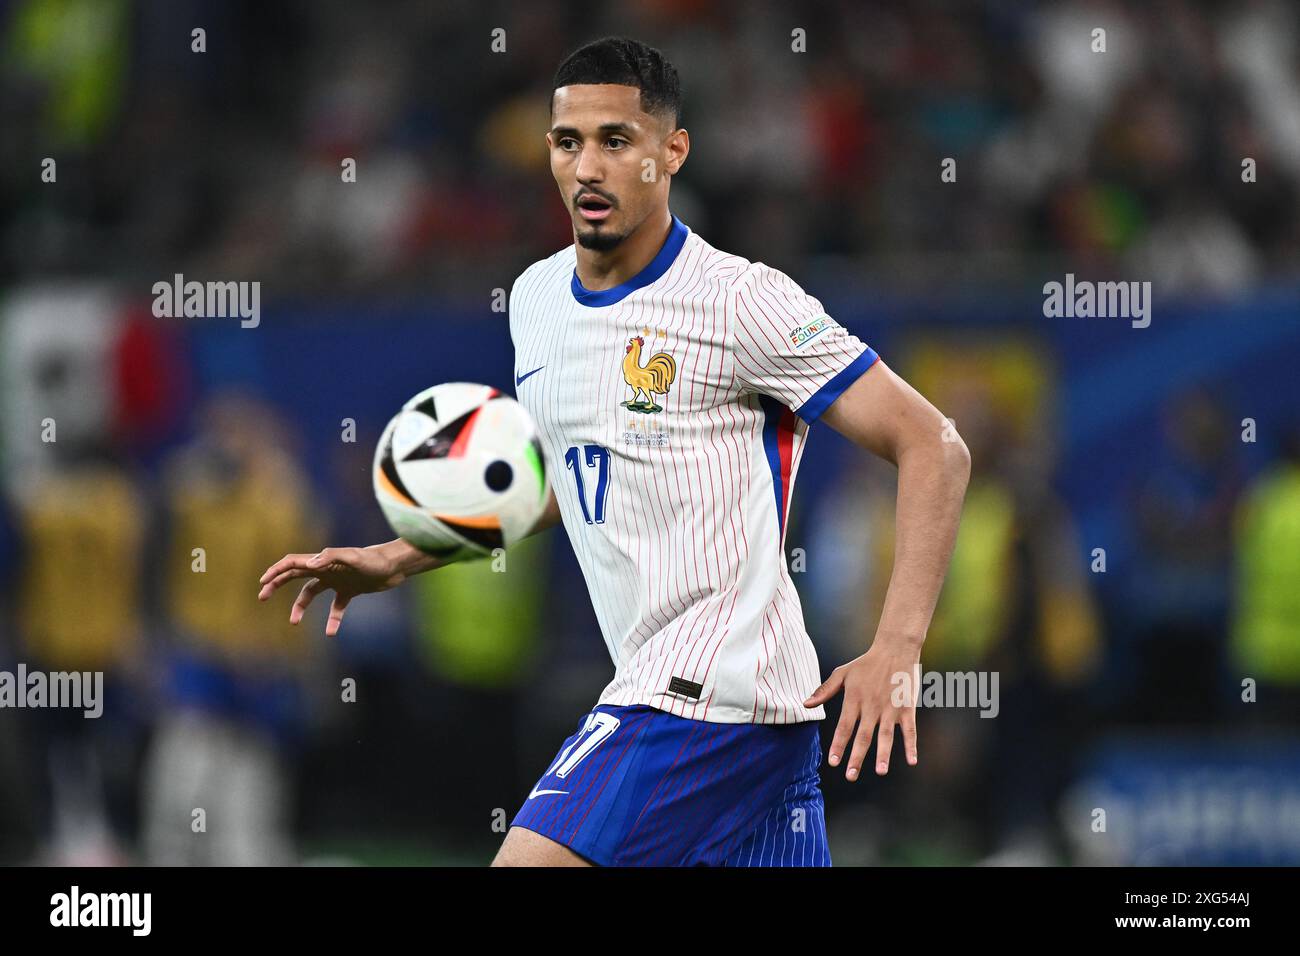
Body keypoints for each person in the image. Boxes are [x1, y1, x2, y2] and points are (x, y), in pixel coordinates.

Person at [257, 36, 970, 867]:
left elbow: (934, 445)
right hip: (764, 729)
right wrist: (394, 557)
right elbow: (564, 474)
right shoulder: (535, 301)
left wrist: (897, 649)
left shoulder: (741, 301)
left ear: (672, 152)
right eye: (568, 143)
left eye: (616, 141)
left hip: (699, 700)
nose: (587, 167)